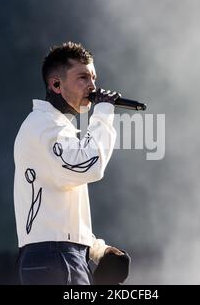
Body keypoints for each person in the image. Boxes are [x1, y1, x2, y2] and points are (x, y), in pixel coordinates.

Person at [13, 41, 124, 285]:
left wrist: (97, 250)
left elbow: (58, 210)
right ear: (56, 84)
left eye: (94, 77)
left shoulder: (54, 127)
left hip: (58, 255)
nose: (93, 86)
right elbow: (89, 165)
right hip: (56, 257)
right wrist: (103, 114)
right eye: (83, 77)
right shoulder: (44, 126)